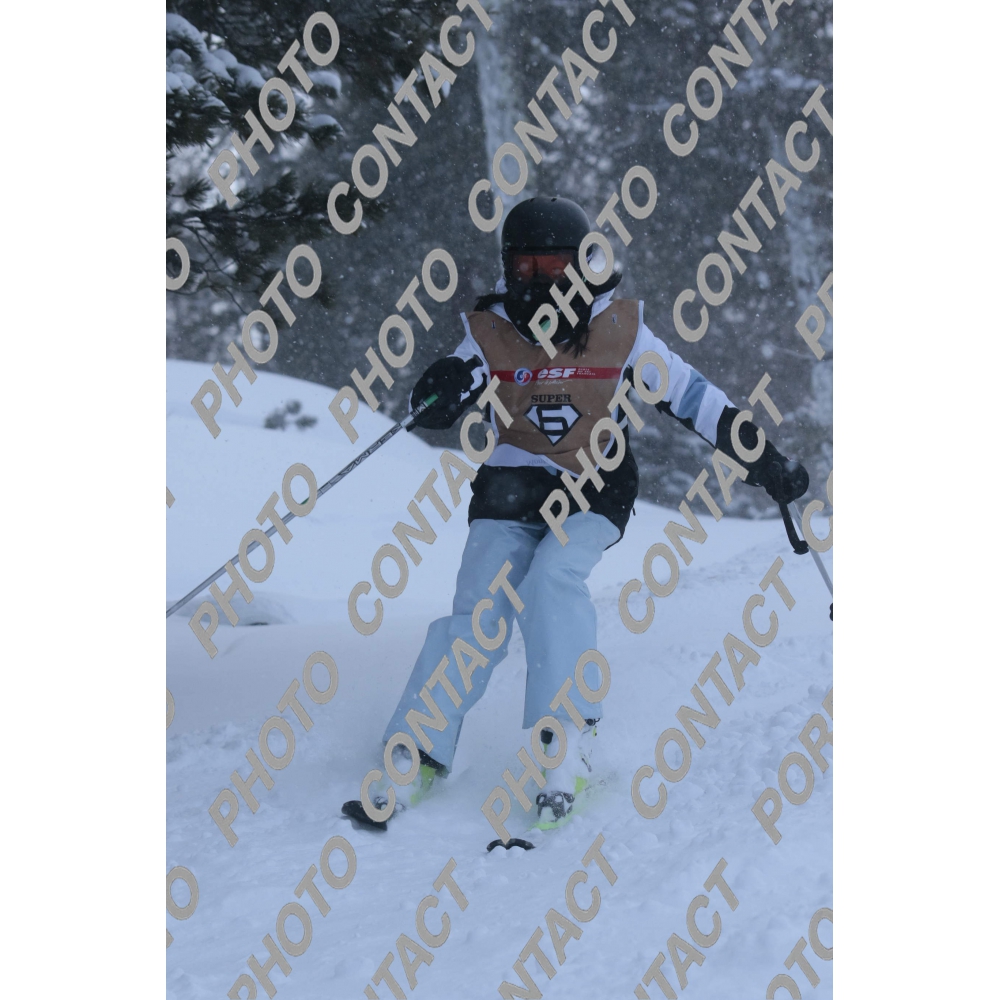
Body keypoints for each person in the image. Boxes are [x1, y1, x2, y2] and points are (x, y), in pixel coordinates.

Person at [342, 196, 808, 833]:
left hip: (593, 488)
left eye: (555, 267)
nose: (540, 282)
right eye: (526, 268)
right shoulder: (493, 330)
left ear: (583, 265)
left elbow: (695, 398)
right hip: (511, 488)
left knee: (552, 579)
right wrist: (439, 390)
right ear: (508, 268)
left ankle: (563, 741)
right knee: (479, 609)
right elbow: (457, 377)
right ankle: (417, 751)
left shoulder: (619, 331)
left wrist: (764, 461)